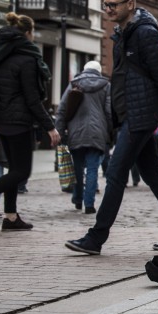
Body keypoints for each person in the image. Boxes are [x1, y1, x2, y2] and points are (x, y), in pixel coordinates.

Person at [66, 0, 158, 255]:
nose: (108, 9)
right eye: (106, 5)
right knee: (153, 174)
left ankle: (96, 238)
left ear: (130, 4)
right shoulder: (122, 34)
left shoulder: (144, 33)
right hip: (131, 113)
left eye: (113, 4)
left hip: (141, 113)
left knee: (115, 174)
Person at [0, 12, 60, 230]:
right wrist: (50, 126)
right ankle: (10, 215)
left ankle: (10, 217)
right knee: (22, 172)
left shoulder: (1, 53)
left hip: (1, 120)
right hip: (19, 121)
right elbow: (32, 99)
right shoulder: (28, 58)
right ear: (29, 33)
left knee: (13, 169)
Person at [55, 61, 113, 213]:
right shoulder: (106, 86)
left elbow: (62, 109)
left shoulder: (74, 84)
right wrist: (110, 132)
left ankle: (78, 199)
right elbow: (108, 112)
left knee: (78, 168)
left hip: (76, 132)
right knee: (93, 169)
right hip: (97, 133)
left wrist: (59, 131)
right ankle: (89, 204)